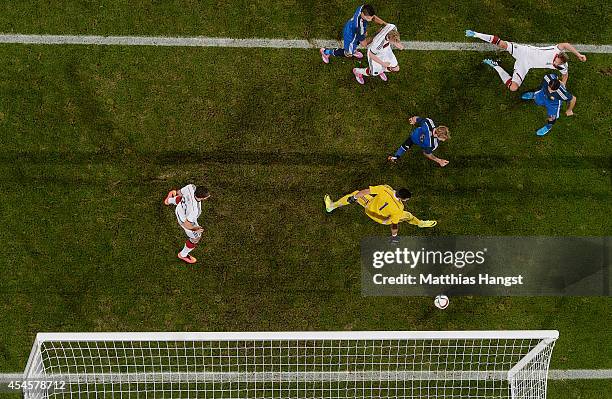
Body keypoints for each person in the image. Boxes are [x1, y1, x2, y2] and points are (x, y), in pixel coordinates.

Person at [465, 30, 587, 91]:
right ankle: (475, 34)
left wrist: (564, 84)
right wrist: (578, 54)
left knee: (513, 88)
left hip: (525, 64)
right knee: (502, 44)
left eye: (558, 64)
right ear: (557, 56)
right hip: (524, 51)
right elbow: (565, 44)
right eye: (556, 60)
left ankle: (495, 65)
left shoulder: (562, 66)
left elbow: (565, 76)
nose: (555, 63)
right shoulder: (555, 50)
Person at [324, 185, 437, 239]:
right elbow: (394, 224)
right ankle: (421, 223)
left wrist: (354, 198)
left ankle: (331, 206)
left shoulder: (385, 189)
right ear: (403, 199)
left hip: (368, 208)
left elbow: (366, 191)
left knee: (357, 192)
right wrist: (394, 236)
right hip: (382, 220)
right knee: (408, 216)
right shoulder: (399, 208)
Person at [320, 4, 386, 63]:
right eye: (368, 18)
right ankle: (326, 52)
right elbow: (364, 44)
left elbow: (372, 17)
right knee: (348, 54)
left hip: (350, 27)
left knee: (363, 36)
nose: (371, 19)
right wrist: (378, 33)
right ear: (362, 14)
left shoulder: (362, 7)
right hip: (351, 37)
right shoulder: (359, 28)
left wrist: (385, 24)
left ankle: (353, 50)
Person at [163, 184, 211, 264]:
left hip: (179, 209)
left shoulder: (191, 187)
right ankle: (183, 255)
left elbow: (179, 193)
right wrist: (195, 229)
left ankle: (169, 200)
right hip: (183, 219)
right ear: (203, 198)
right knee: (196, 238)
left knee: (182, 198)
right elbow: (186, 224)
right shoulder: (195, 210)